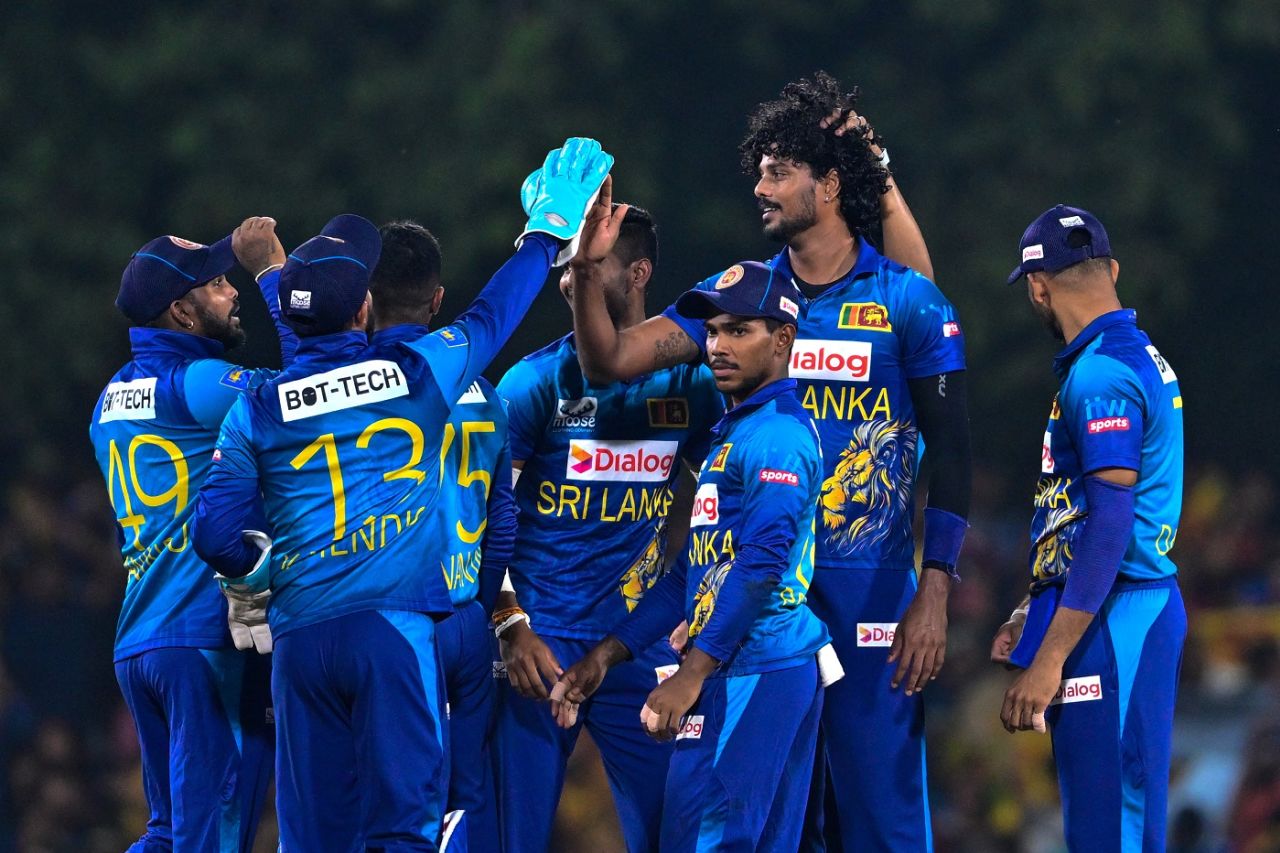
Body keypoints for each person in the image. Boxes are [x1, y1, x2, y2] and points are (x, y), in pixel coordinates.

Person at [569, 72, 971, 850]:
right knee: (776, 817)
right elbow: (612, 359)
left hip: (869, 593)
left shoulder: (906, 300)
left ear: (827, 185)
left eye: (778, 170)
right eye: (760, 169)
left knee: (881, 817)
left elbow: (952, 447)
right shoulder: (739, 304)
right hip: (765, 599)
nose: (759, 185)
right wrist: (586, 271)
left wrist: (937, 589)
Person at [191, 136, 614, 849]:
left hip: (299, 641)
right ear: (361, 311)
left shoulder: (258, 404)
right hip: (395, 631)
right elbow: (491, 316)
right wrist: (544, 236)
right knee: (408, 830)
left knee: (316, 837)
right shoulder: (421, 373)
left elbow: (215, 532)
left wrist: (252, 575)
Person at [553, 260, 834, 851]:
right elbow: (692, 569)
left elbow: (760, 565)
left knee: (704, 837)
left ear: (783, 338)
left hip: (756, 668)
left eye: (739, 331)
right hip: (749, 668)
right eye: (712, 331)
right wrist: (608, 653)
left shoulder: (776, 434)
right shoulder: (737, 430)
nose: (718, 346)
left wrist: (692, 673)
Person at [491, 204, 723, 852]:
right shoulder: (533, 383)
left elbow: (721, 507)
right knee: (515, 838)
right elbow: (484, 519)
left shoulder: (695, 383)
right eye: (568, 268)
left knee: (672, 831)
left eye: (590, 268)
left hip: (634, 642)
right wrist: (510, 624)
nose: (570, 282)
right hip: (540, 641)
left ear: (640, 272)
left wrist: (696, 612)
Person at [89, 217, 291, 852]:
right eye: (217, 285)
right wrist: (274, 275)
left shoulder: (108, 401)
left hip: (141, 642)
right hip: (206, 640)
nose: (232, 294)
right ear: (182, 311)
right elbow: (313, 392)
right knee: (211, 840)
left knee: (168, 833)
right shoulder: (202, 384)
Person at [991, 204, 1186, 851]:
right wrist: (1034, 602)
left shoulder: (1101, 373)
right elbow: (1079, 512)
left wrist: (1049, 660)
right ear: (1114, 270)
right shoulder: (1126, 357)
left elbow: (1109, 524)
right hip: (1111, 610)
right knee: (1101, 827)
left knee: (1115, 830)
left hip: (1120, 617)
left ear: (1038, 286)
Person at [367, 219, 516, 852]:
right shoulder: (483, 391)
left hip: (397, 621)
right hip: (466, 619)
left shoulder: (358, 388)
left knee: (394, 795)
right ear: (436, 300)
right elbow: (502, 519)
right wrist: (480, 606)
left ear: (364, 300)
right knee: (466, 798)